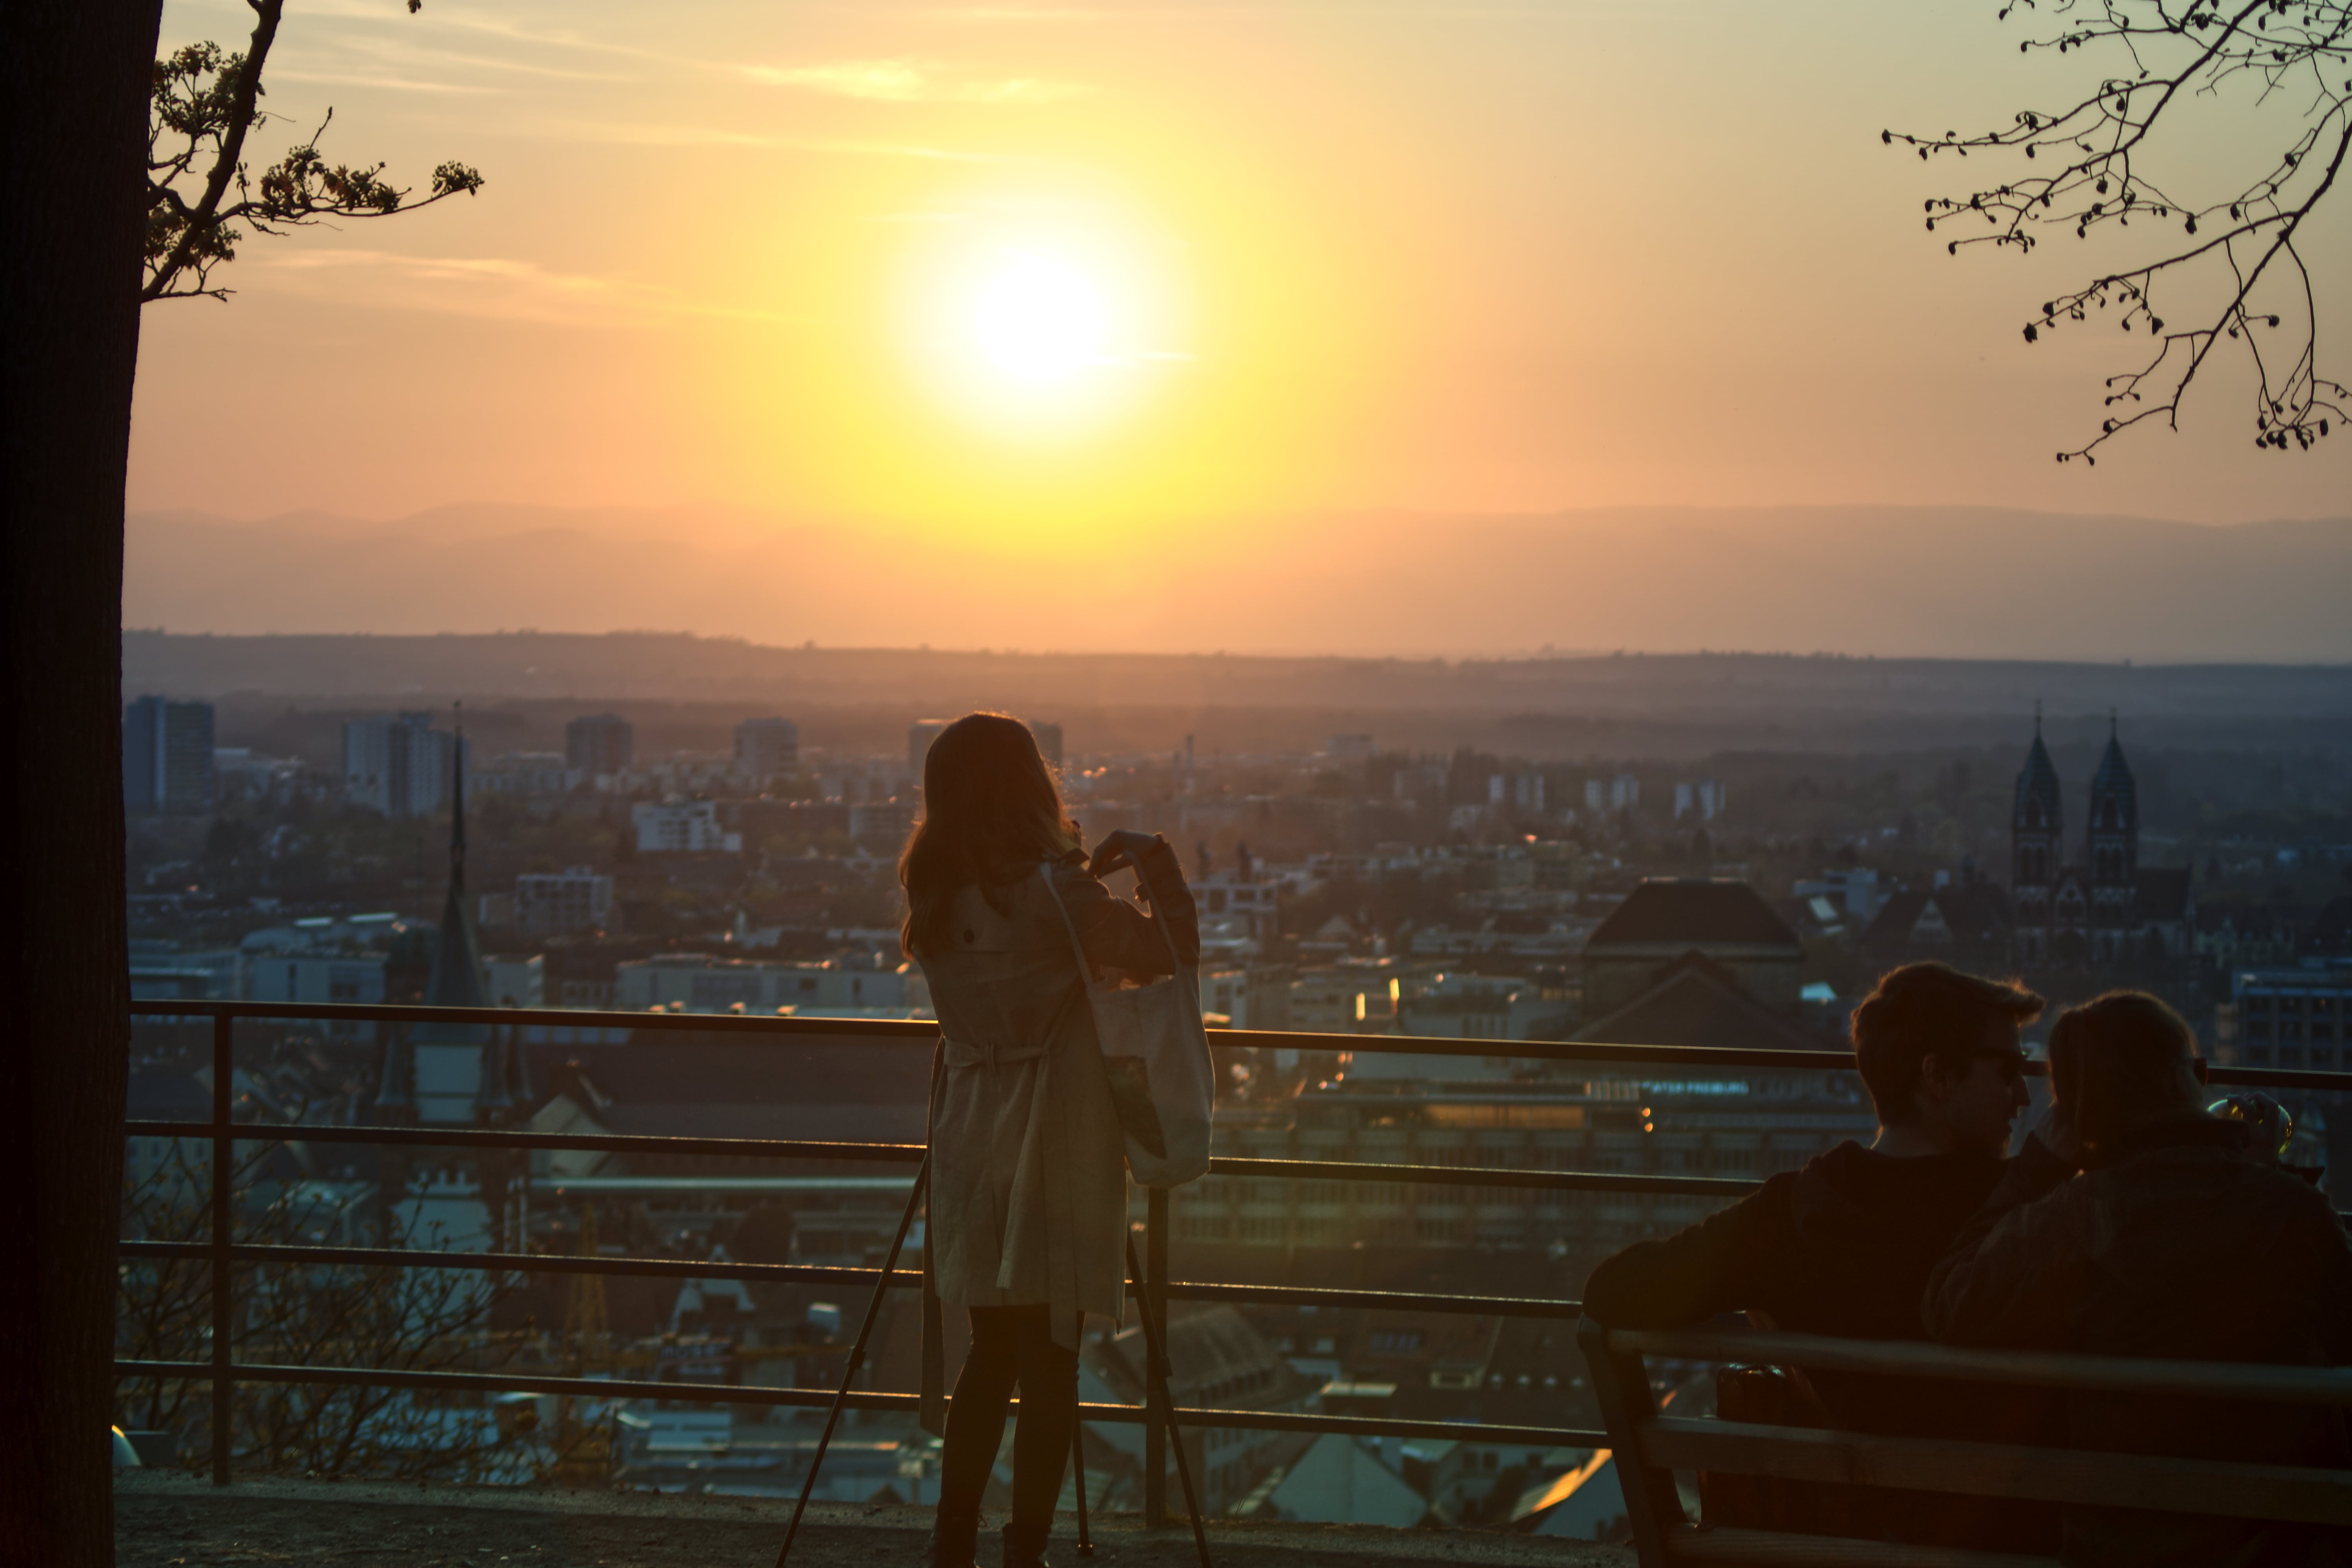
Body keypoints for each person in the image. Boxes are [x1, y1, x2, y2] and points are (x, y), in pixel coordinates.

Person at [1581, 961, 2051, 1547]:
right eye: (2008, 1071)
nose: (2024, 1093)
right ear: (1938, 1078)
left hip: (1850, 1542)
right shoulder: (2037, 1213)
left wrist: (1763, 1310)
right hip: (2018, 1540)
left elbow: (1615, 1291)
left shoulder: (1796, 1214)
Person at [900, 713, 1198, 1568]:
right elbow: (1172, 951)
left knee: (989, 1349)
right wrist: (1153, 859)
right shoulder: (1054, 893)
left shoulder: (933, 895)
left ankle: (952, 1538)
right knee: (1054, 1357)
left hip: (968, 1125)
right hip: (1058, 1131)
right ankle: (1024, 1550)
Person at [1925, 991, 2352, 1568]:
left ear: (2076, 1114)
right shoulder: (2293, 1217)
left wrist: (2037, 1168)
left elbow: (1952, 1303)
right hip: (2275, 1549)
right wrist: (2272, 1182)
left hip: (2113, 1546)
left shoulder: (2068, 1222)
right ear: (2197, 1081)